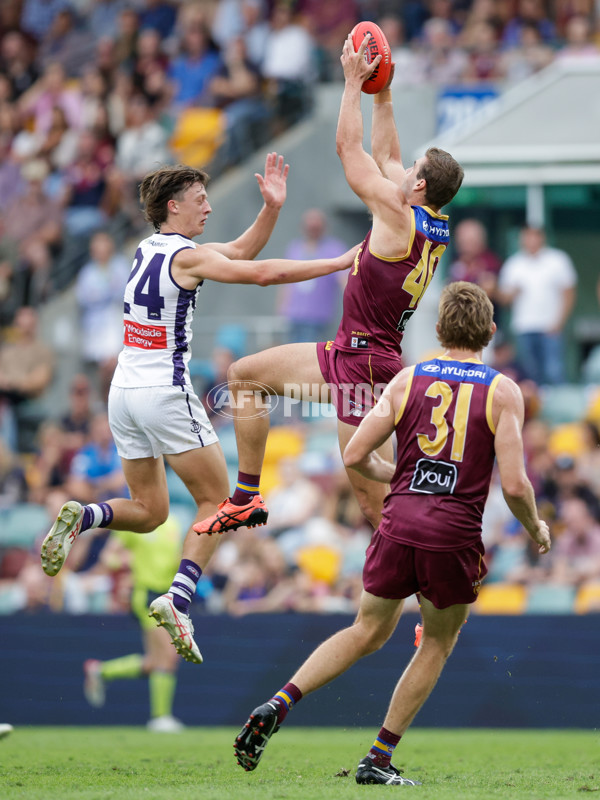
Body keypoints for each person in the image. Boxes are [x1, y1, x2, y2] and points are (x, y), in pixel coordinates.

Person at [41, 152, 357, 664]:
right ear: (173, 206)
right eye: (199, 199)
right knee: (221, 503)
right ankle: (180, 597)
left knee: (150, 513)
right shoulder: (186, 257)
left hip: (124, 394)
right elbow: (260, 273)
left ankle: (86, 516)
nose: (207, 206)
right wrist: (338, 262)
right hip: (166, 393)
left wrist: (272, 208)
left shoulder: (149, 250)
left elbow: (237, 250)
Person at [233, 282, 551, 783]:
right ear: (490, 331)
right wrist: (535, 525)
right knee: (437, 642)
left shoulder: (407, 379)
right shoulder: (503, 390)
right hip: (452, 533)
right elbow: (513, 483)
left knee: (366, 629)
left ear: (441, 330)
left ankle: (281, 699)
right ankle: (378, 758)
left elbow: (356, 454)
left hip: (398, 523)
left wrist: (399, 478)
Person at [194, 34, 464, 538]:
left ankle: (430, 568)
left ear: (420, 186)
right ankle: (247, 496)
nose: (403, 170)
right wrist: (381, 93)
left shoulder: (398, 215)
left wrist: (350, 84)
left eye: (413, 172)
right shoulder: (426, 220)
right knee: (245, 376)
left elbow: (350, 149)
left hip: (365, 364)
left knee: (369, 499)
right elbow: (387, 156)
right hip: (348, 352)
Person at [83, 515, 187, 732]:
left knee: (155, 661)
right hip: (147, 594)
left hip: (169, 595)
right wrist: (127, 562)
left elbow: (175, 559)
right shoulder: (136, 523)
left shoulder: (174, 524)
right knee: (167, 657)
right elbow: (107, 556)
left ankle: (101, 671)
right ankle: (160, 718)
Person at [498, 226, 577, 385]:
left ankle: (560, 407)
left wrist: (559, 323)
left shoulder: (557, 260)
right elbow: (503, 299)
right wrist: (512, 293)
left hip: (550, 326)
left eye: (535, 236)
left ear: (542, 238)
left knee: (554, 371)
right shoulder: (514, 264)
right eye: (527, 236)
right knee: (530, 374)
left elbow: (569, 293)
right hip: (524, 327)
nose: (531, 241)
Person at [278, 208, 347, 343]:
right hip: (293, 314)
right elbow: (285, 280)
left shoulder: (334, 249)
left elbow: (344, 280)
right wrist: (282, 308)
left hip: (318, 316)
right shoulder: (295, 247)